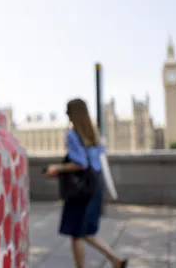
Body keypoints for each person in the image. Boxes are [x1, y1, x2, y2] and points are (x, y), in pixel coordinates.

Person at [45, 98, 128, 268]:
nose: (66, 114)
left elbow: (80, 163)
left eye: (68, 111)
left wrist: (57, 168)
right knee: (85, 231)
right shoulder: (94, 134)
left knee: (77, 234)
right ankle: (116, 260)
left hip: (80, 190)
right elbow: (95, 161)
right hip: (94, 186)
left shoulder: (72, 134)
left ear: (73, 114)